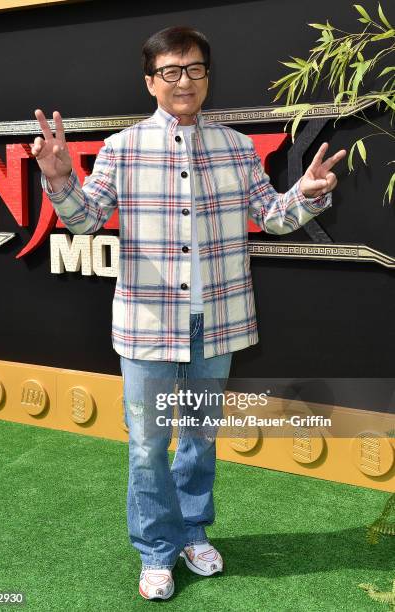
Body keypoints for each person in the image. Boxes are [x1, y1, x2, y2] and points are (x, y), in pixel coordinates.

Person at [32, 25, 346, 601]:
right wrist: (57, 177)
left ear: (207, 77)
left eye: (195, 69)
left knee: (200, 438)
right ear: (150, 82)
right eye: (171, 72)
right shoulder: (122, 149)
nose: (184, 81)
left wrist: (307, 191)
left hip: (218, 321)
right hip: (148, 326)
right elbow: (83, 219)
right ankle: (155, 549)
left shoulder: (235, 147)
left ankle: (193, 533)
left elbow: (273, 215)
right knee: (149, 444)